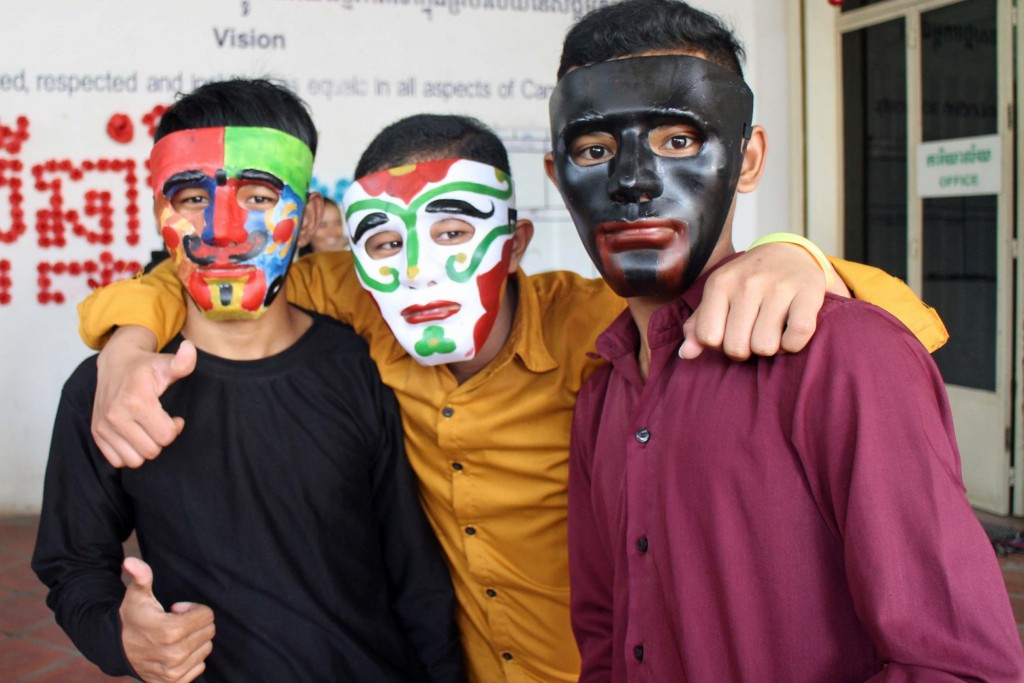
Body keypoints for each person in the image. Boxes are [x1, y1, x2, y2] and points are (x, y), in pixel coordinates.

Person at [75, 116, 947, 682]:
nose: (421, 268)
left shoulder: (600, 321)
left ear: (517, 240)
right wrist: (126, 338)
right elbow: (212, 272)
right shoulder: (359, 302)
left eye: (455, 230)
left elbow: (903, 326)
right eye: (387, 239)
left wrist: (800, 259)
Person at [547, 2, 1024, 680]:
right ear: (556, 174)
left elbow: (955, 664)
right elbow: (606, 635)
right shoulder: (601, 394)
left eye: (678, 141)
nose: (632, 181)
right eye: (595, 151)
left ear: (748, 159)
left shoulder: (847, 357)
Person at [32, 79, 463, 683]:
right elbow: (74, 563)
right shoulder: (109, 390)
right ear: (160, 210)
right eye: (189, 197)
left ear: (310, 216)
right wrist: (122, 639)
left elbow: (413, 570)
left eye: (260, 196)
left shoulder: (361, 365)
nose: (224, 230)